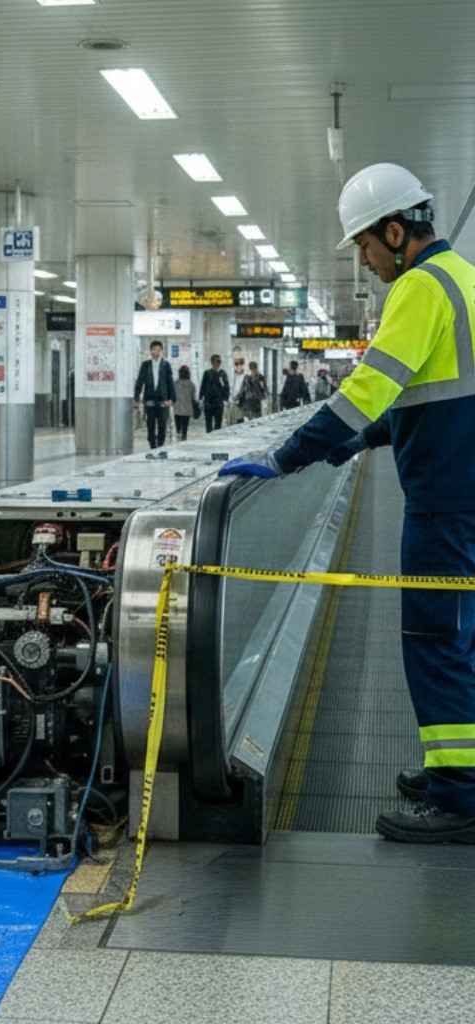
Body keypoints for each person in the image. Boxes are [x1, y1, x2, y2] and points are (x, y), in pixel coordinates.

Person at [220, 162, 475, 843]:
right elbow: (429, 398)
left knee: (435, 638)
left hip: (446, 500)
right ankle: (457, 771)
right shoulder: (464, 278)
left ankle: (460, 797)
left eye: (364, 244)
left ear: (395, 232)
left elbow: (367, 389)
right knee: (461, 633)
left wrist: (288, 456)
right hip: (462, 488)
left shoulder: (420, 288)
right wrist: (358, 442)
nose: (364, 261)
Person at [134, 340, 176, 448]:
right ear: (150, 351)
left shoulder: (166, 365)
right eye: (154, 350)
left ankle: (160, 446)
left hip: (163, 401)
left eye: (158, 350)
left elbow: (170, 383)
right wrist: (136, 398)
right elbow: (139, 382)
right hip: (150, 400)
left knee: (162, 426)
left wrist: (172, 399)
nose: (156, 352)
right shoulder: (145, 365)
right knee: (150, 426)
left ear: (162, 351)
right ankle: (152, 446)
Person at [199, 354, 230, 432]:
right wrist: (200, 398)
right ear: (212, 362)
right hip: (208, 402)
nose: (219, 363)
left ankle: (216, 437)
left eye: (220, 361)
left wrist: (226, 399)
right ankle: (209, 437)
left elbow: (226, 386)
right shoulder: (207, 373)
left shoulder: (222, 373)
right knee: (208, 424)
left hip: (218, 402)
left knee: (218, 425)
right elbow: (203, 386)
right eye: (217, 361)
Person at [173, 365, 196, 441]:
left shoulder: (175, 383)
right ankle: (183, 439)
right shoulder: (191, 384)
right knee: (185, 428)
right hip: (187, 409)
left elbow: (172, 395)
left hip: (177, 409)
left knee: (178, 428)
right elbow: (193, 397)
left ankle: (179, 438)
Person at [229, 354, 247, 424]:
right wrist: (230, 400)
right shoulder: (232, 375)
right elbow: (230, 388)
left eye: (241, 363)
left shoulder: (246, 376)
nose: (239, 366)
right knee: (232, 422)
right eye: (236, 364)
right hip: (232, 403)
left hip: (242, 403)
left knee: (240, 421)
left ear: (243, 364)